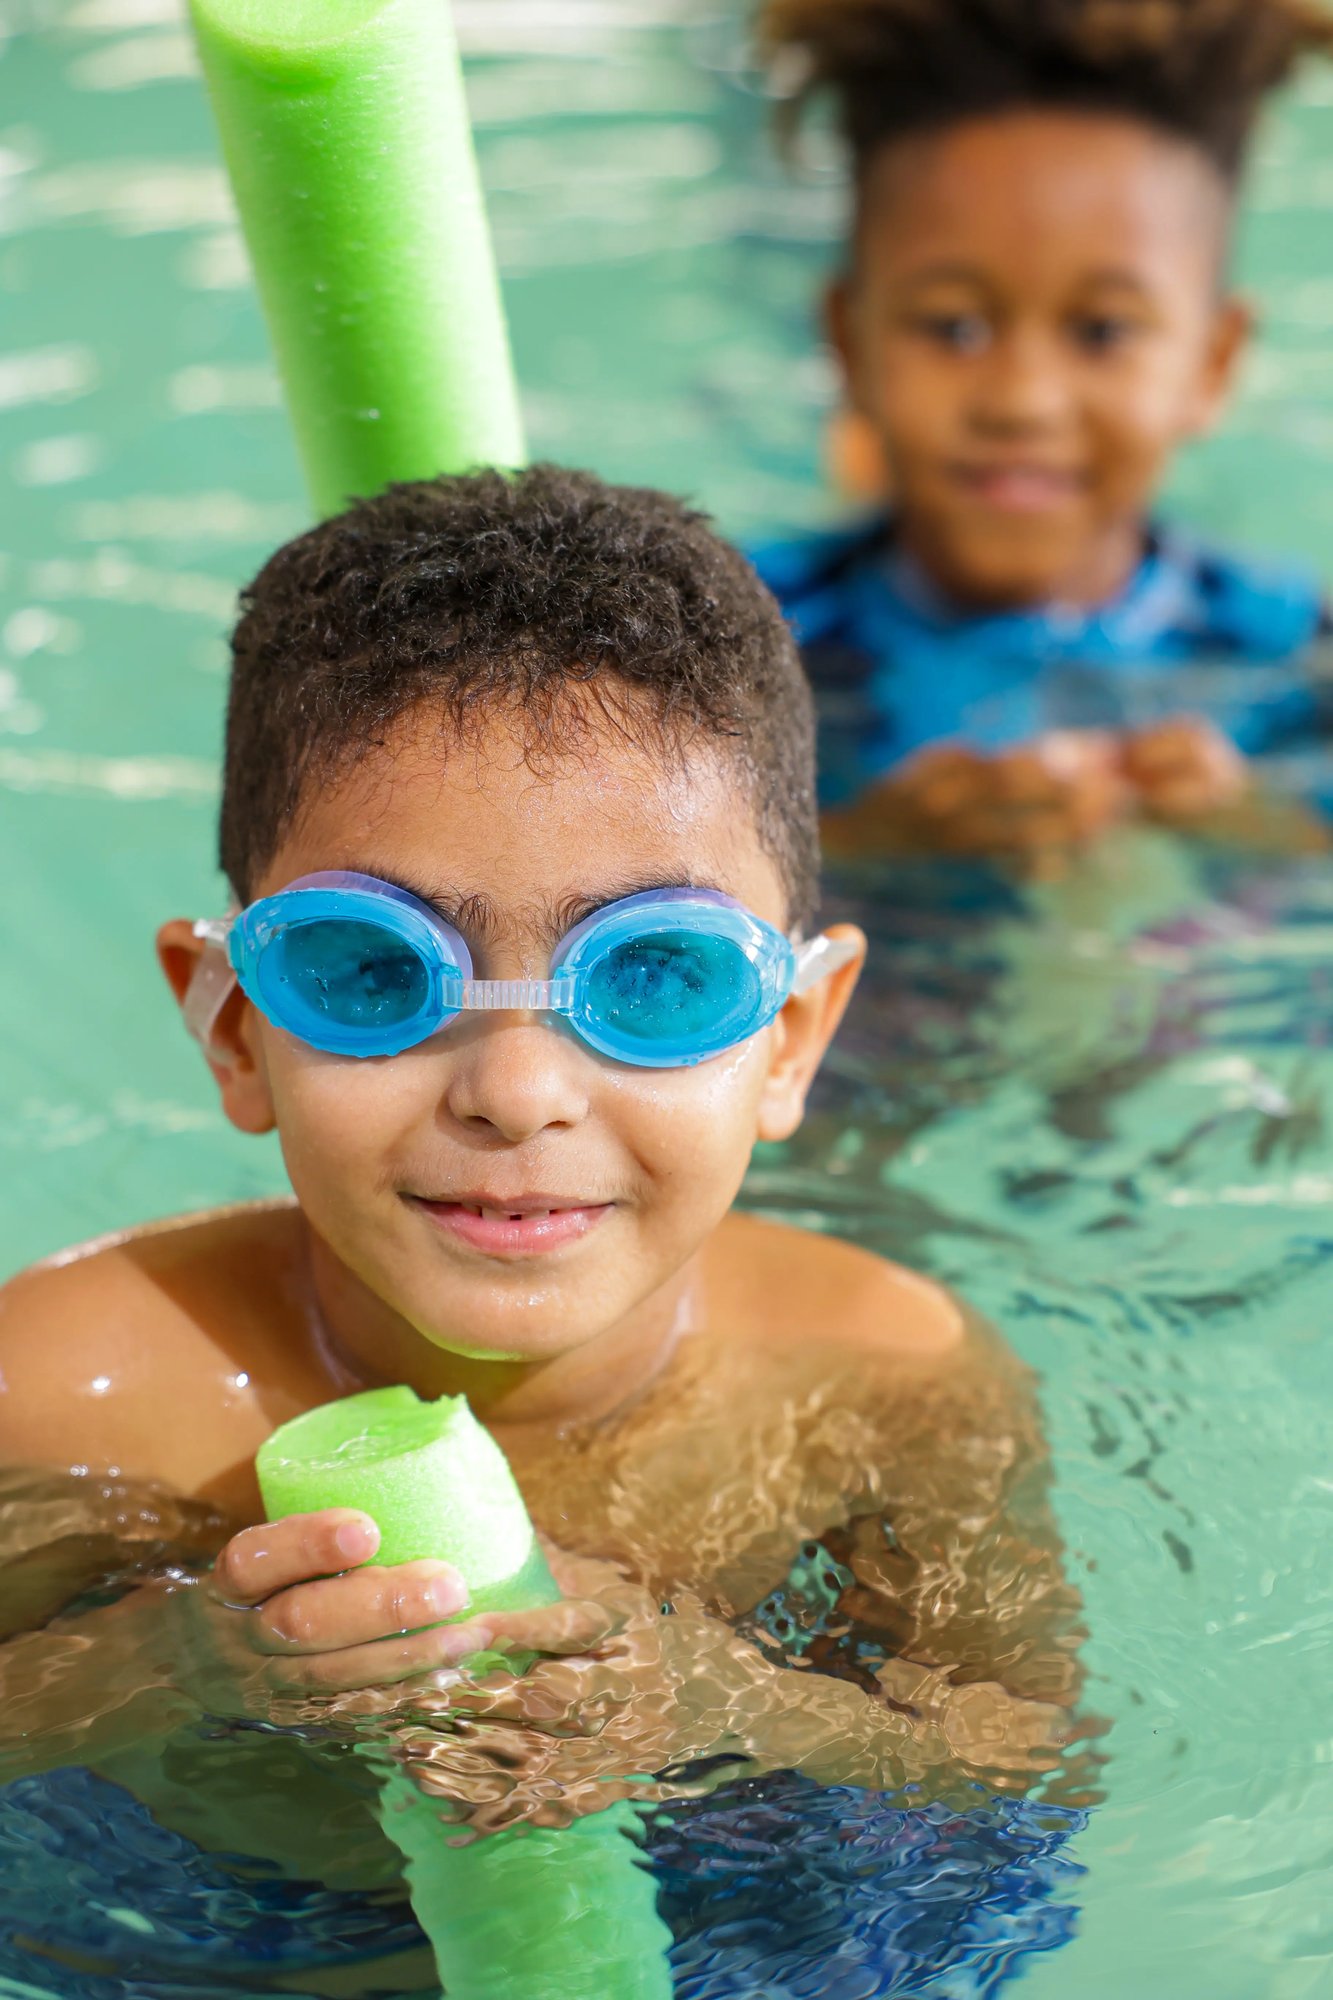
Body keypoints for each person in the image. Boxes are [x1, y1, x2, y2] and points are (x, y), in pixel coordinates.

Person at [0, 468, 1089, 1984]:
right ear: (235, 1024)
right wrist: (178, 1658)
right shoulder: (67, 1393)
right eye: (374, 972)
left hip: (721, 1897)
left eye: (656, 977)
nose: (516, 1095)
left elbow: (1014, 1759)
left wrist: (729, 1702)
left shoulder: (885, 1376)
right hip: (199, 1914)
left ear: (791, 1036)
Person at [754, 0, 1333, 865]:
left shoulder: (1293, 651)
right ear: (848, 340)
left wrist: (1251, 831)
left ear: (1212, 364)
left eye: (1101, 332)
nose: (1022, 401)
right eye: (952, 327)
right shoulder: (742, 636)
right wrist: (865, 852)